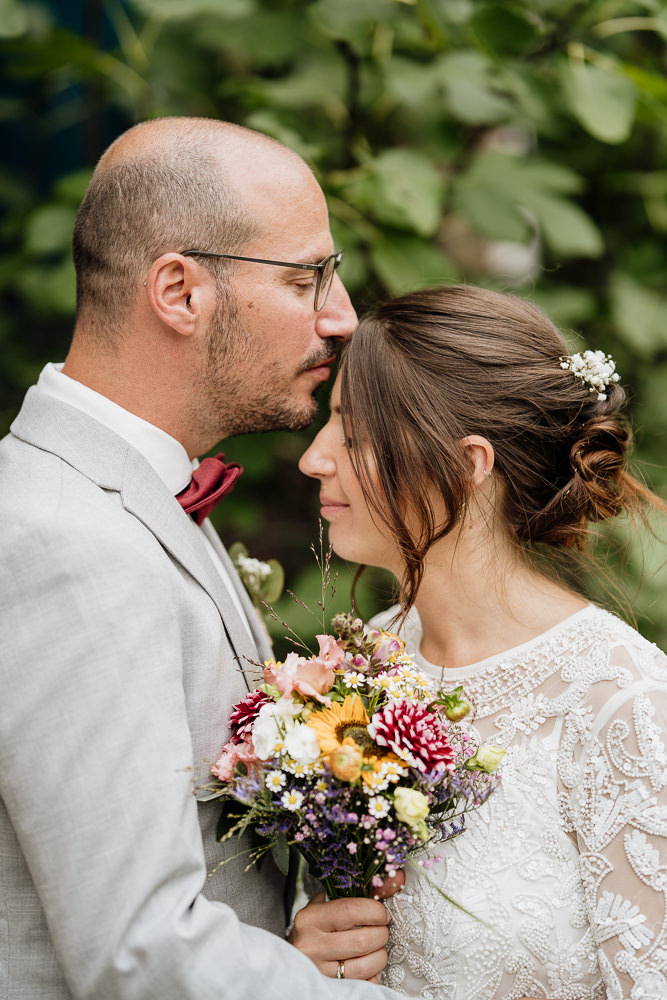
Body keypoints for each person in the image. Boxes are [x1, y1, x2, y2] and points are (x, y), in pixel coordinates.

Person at [0, 117, 403, 999]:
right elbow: (140, 951)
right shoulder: (64, 543)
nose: (341, 317)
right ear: (180, 291)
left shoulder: (139, 497)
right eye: (308, 278)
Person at [299, 284, 667, 1000]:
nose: (315, 458)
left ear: (468, 463)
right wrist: (311, 955)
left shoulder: (622, 702)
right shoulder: (370, 660)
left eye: (350, 431)